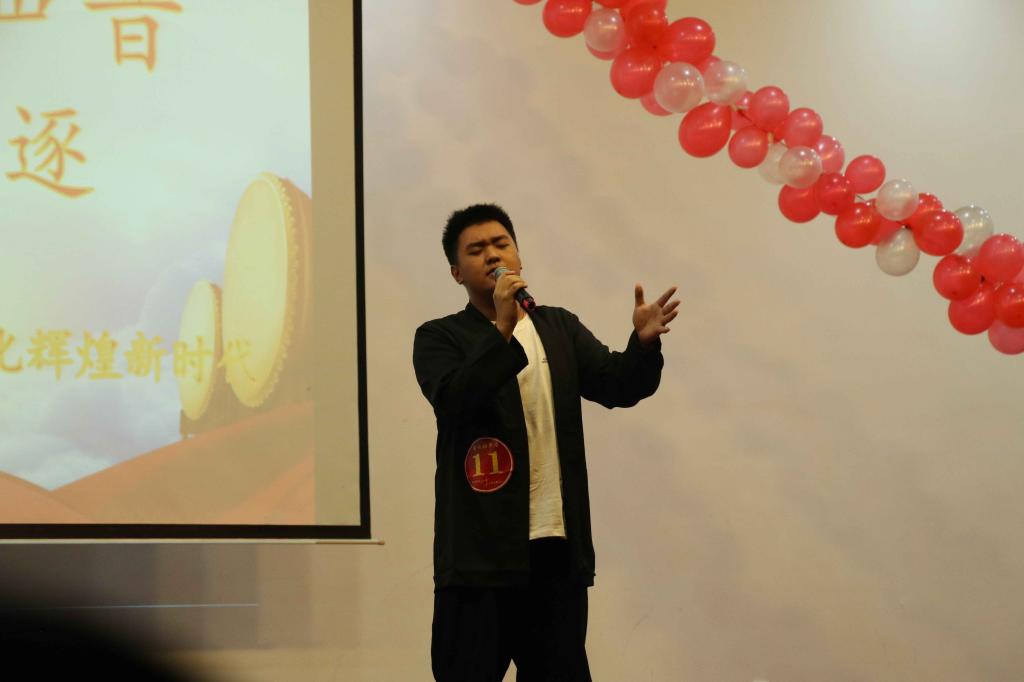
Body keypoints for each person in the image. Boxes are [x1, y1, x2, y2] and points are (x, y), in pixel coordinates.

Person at [413, 204, 678, 681]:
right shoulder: (439, 337)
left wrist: (642, 344)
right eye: (477, 250)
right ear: (456, 272)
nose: (493, 255)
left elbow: (617, 386)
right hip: (479, 557)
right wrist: (501, 328)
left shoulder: (558, 327)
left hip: (556, 552)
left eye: (501, 244)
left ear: (518, 256)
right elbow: (455, 400)